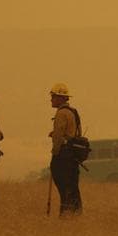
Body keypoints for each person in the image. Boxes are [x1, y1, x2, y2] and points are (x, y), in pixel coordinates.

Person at [48, 83, 82, 216]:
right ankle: (76, 214)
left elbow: (58, 137)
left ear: (60, 98)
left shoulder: (61, 113)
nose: (51, 99)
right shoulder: (73, 112)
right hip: (73, 156)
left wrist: (55, 154)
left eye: (53, 96)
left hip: (63, 156)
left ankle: (66, 216)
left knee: (64, 189)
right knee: (73, 188)